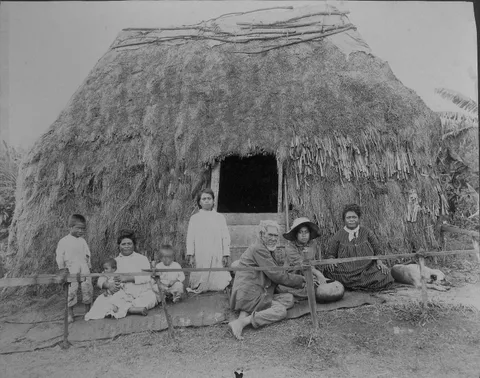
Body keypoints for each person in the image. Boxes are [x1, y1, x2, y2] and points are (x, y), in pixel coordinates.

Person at [228, 220, 306, 340]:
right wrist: (301, 280)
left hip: (256, 290)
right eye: (270, 235)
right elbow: (276, 275)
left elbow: (275, 273)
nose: (273, 238)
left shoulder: (265, 249)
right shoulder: (259, 249)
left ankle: (245, 314)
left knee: (289, 299)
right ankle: (244, 321)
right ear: (261, 235)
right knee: (281, 311)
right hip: (250, 293)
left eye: (276, 236)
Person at [323, 204, 394, 291]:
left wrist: (379, 262)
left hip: (367, 269)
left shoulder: (367, 232)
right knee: (328, 272)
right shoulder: (338, 235)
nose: (351, 220)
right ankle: (362, 284)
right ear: (344, 220)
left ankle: (350, 285)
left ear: (359, 219)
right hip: (346, 271)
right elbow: (330, 253)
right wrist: (331, 259)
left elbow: (377, 250)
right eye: (348, 218)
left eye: (354, 217)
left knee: (385, 274)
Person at [97, 230, 157, 316]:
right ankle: (131, 309)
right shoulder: (114, 261)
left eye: (129, 244)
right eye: (123, 244)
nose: (126, 246)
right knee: (109, 299)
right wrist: (108, 285)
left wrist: (128, 278)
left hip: (142, 292)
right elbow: (100, 280)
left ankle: (128, 308)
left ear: (134, 245)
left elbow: (147, 277)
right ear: (119, 246)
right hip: (124, 294)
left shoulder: (142, 258)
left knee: (151, 297)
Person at [186, 188, 231, 293]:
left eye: (209, 198)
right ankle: (200, 285)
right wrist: (190, 254)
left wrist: (225, 254)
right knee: (201, 271)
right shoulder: (195, 218)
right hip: (201, 251)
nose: (207, 201)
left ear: (213, 201)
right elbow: (190, 237)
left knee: (218, 276)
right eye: (204, 199)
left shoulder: (219, 217)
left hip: (216, 250)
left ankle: (218, 285)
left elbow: (225, 236)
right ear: (199, 202)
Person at [277, 217, 329, 299]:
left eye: (306, 232)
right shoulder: (290, 246)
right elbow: (300, 263)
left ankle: (304, 292)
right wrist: (317, 273)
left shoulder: (313, 244)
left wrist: (315, 276)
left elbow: (312, 262)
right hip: (293, 276)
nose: (303, 235)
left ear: (309, 233)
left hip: (309, 274)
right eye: (300, 232)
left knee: (323, 287)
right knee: (283, 288)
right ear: (296, 234)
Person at [56, 214, 93, 323]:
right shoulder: (64, 241)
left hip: (84, 267)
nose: (81, 231)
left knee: (87, 288)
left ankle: (88, 312)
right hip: (71, 268)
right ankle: (70, 314)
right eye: (78, 228)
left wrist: (88, 265)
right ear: (70, 227)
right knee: (71, 291)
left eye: (83, 229)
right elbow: (59, 256)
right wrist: (62, 269)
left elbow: (87, 254)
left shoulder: (82, 241)